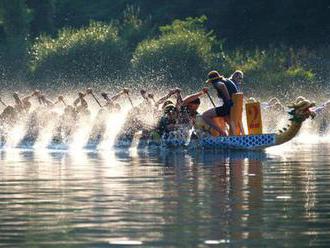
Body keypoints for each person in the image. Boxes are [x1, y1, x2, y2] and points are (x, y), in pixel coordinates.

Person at [202, 70, 238, 135]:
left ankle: (222, 133)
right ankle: (234, 134)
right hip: (234, 106)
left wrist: (228, 100)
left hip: (228, 106)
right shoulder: (227, 80)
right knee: (225, 116)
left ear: (212, 80)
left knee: (205, 115)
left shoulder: (217, 83)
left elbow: (222, 86)